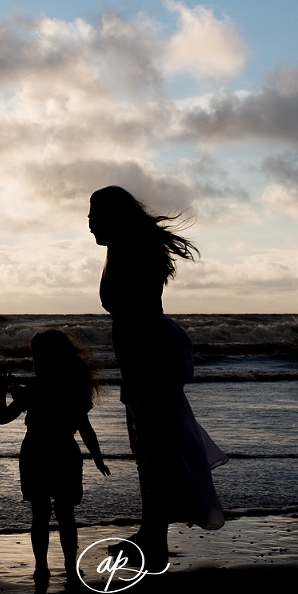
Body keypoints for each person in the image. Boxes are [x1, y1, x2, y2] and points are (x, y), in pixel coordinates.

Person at [88, 185, 227, 570]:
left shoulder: (131, 252)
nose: (89, 226)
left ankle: (153, 537)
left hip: (148, 360)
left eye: (93, 217)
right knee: (150, 452)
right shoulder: (126, 248)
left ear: (112, 218)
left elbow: (136, 319)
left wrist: (135, 374)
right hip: (144, 359)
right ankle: (152, 533)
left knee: (152, 452)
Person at [0, 330, 110, 587]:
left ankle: (41, 568)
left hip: (35, 453)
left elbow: (2, 418)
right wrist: (98, 458)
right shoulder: (74, 391)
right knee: (66, 514)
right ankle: (70, 567)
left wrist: (0, 391)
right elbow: (85, 429)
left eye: (35, 356)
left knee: (40, 514)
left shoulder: (33, 391)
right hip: (65, 453)